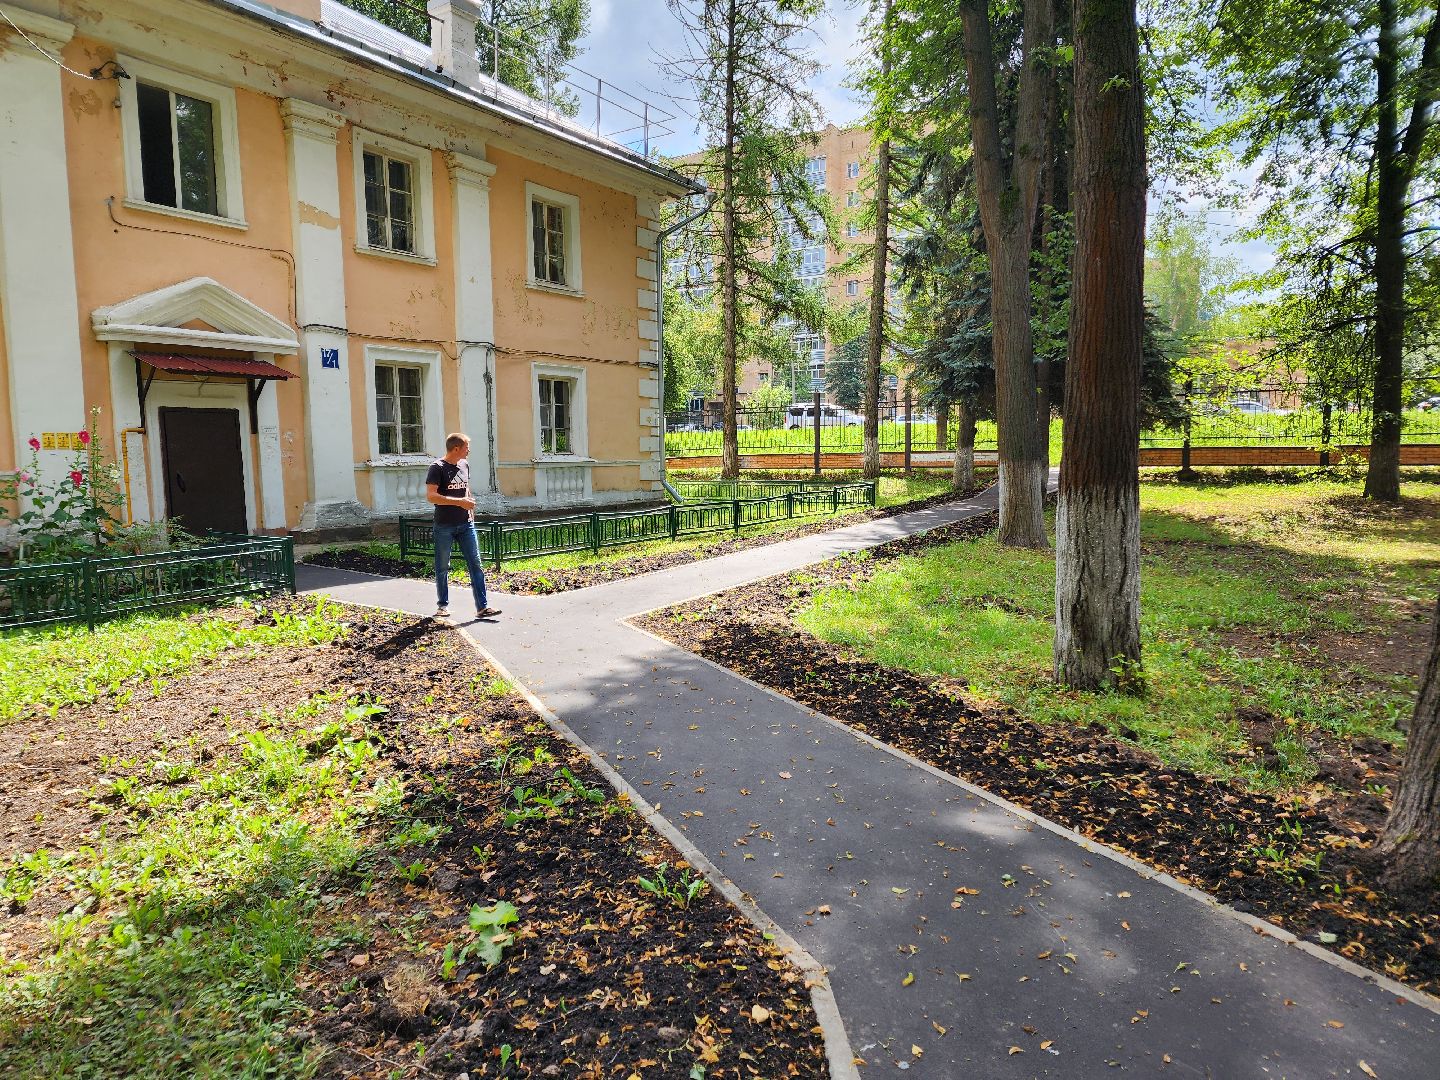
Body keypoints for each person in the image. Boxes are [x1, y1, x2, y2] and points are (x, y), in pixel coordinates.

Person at [424, 433, 501, 621]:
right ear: (456, 448)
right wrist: (460, 503)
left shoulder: (465, 465)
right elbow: (431, 496)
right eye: (467, 447)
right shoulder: (437, 468)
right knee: (443, 566)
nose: (469, 450)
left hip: (466, 524)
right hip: (444, 526)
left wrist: (470, 511)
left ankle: (482, 607)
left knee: (476, 564)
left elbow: (466, 489)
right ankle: (442, 606)